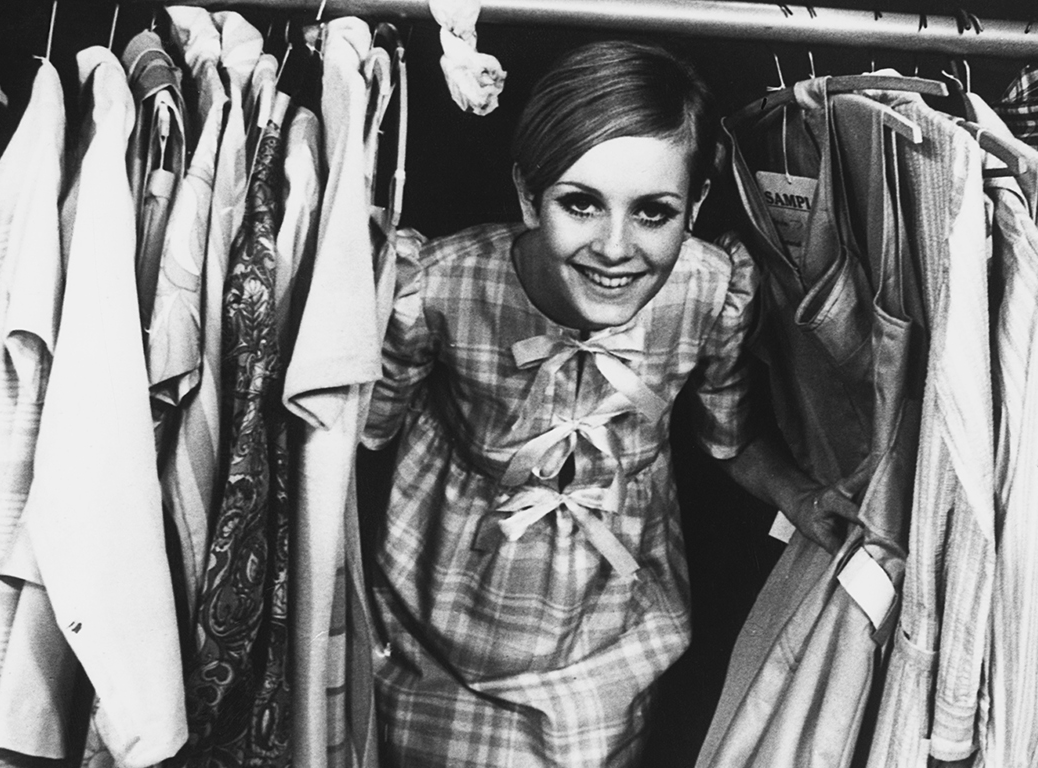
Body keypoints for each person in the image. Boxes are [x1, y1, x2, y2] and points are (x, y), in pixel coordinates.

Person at [361, 39, 854, 767]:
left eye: (653, 212)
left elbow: (731, 438)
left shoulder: (710, 288)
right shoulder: (438, 284)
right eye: (581, 203)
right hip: (443, 616)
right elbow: (360, 438)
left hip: (614, 618)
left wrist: (802, 498)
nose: (615, 248)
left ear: (696, 205)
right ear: (529, 195)